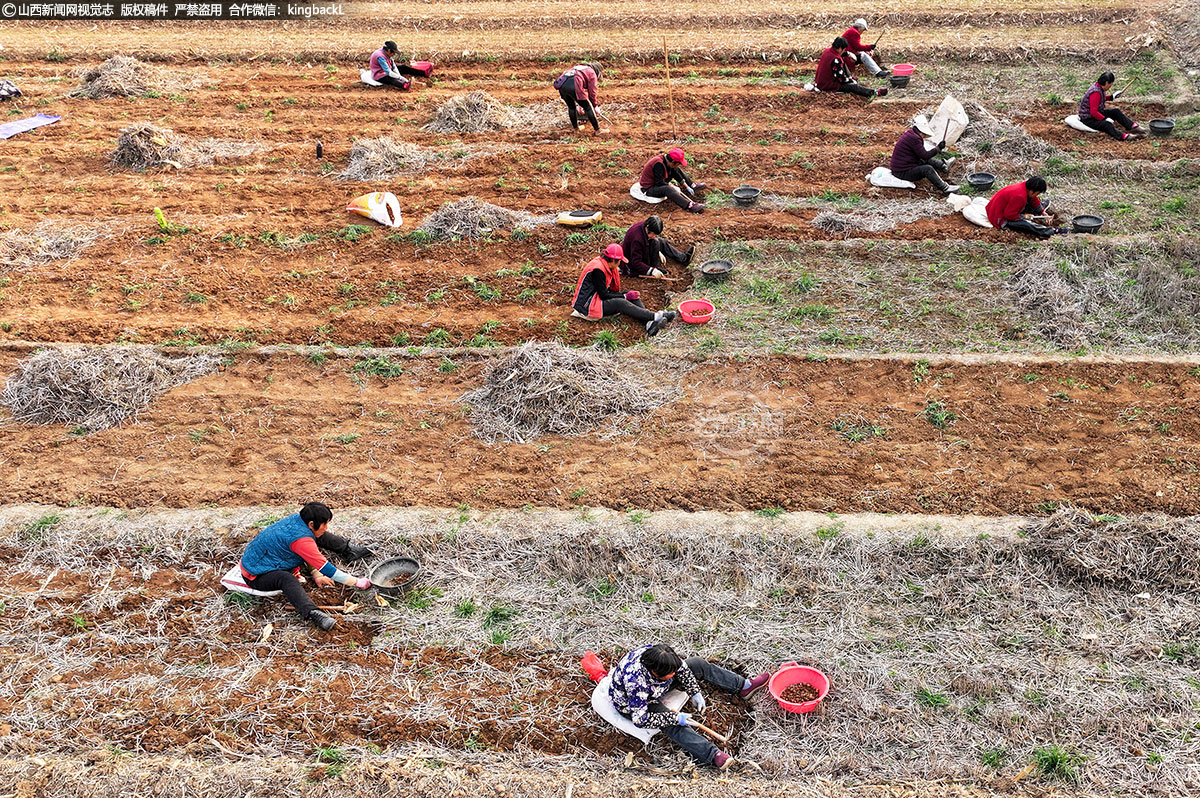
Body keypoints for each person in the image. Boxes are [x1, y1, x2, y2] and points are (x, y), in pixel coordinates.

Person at [609, 643, 771, 770]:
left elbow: (683, 669)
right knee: (671, 724)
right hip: (636, 704)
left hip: (658, 687)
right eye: (670, 674)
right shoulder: (636, 683)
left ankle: (743, 686)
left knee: (697, 664)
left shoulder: (661, 655)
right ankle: (712, 754)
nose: (675, 674)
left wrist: (694, 692)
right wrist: (674, 717)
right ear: (655, 673)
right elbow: (640, 720)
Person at [238, 502, 375, 631]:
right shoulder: (301, 540)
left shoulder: (300, 521)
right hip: (257, 574)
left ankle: (349, 550)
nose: (326, 528)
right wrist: (357, 582)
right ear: (311, 523)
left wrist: (316, 574)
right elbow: (327, 569)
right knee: (286, 579)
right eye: (324, 524)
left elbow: (306, 549)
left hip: (267, 557)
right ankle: (313, 613)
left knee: (320, 535)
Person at [571, 243, 677, 336]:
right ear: (612, 260)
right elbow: (604, 295)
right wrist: (624, 296)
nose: (620, 264)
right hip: (587, 305)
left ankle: (648, 324)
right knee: (621, 303)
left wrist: (626, 295)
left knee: (631, 296)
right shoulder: (598, 270)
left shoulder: (605, 265)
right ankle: (656, 315)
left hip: (595, 297)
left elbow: (606, 292)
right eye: (619, 262)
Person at [890, 115, 959, 195]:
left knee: (924, 159)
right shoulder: (914, 138)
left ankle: (943, 165)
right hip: (902, 172)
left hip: (904, 166)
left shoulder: (911, 133)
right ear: (921, 132)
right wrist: (938, 148)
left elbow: (922, 154)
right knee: (927, 169)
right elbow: (925, 155)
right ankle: (945, 188)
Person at [986, 176, 1067, 239]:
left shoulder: (1025, 187)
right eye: (1037, 193)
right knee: (1027, 224)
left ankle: (1041, 210)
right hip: (1000, 217)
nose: (1037, 195)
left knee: (1034, 205)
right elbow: (1009, 215)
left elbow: (1033, 199)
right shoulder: (1020, 196)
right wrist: (1024, 216)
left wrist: (1042, 211)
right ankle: (1050, 231)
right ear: (1032, 191)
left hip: (1003, 208)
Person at [1078, 71, 1146, 141]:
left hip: (1096, 114)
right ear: (1107, 83)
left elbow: (1100, 98)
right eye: (1110, 84)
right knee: (1106, 124)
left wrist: (1112, 96)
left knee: (1116, 112)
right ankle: (1124, 136)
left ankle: (1132, 127)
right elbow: (1093, 112)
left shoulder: (1099, 87)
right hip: (1088, 118)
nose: (1110, 86)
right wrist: (1104, 118)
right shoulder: (1095, 92)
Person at [621, 216, 694, 278]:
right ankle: (654, 267)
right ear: (647, 229)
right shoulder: (637, 240)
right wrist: (652, 271)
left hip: (642, 250)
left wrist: (658, 251)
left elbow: (648, 241)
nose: (654, 236)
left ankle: (684, 258)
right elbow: (636, 262)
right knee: (656, 242)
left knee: (659, 242)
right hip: (631, 265)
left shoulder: (644, 226)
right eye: (654, 234)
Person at [816, 37, 887, 99]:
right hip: (827, 85)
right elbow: (840, 79)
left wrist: (847, 53)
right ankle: (874, 92)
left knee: (843, 64)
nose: (843, 51)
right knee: (853, 87)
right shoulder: (836, 60)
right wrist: (850, 80)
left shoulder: (827, 51)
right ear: (840, 48)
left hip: (821, 81)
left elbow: (838, 56)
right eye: (844, 50)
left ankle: (851, 80)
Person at [639, 148, 706, 213]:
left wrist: (686, 186)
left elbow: (675, 173)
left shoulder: (667, 161)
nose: (679, 165)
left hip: (657, 182)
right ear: (673, 161)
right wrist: (671, 186)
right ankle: (689, 205)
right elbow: (659, 183)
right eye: (678, 163)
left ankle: (691, 185)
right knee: (667, 189)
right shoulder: (658, 164)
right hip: (649, 188)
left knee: (676, 169)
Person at [554, 62, 603, 133]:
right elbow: (592, 93)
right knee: (588, 107)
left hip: (562, 85)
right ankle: (598, 130)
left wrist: (580, 104)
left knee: (571, 107)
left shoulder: (579, 67)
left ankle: (575, 129)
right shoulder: (592, 73)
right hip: (574, 84)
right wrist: (595, 106)